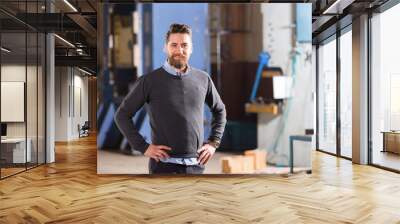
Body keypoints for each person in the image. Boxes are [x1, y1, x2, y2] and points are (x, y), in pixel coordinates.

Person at [114, 23, 226, 174]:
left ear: (191, 48)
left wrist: (214, 142)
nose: (179, 50)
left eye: (184, 45)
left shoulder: (203, 79)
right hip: (163, 166)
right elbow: (122, 115)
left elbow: (220, 110)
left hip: (196, 166)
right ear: (166, 47)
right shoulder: (150, 81)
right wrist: (143, 146)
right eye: (174, 45)